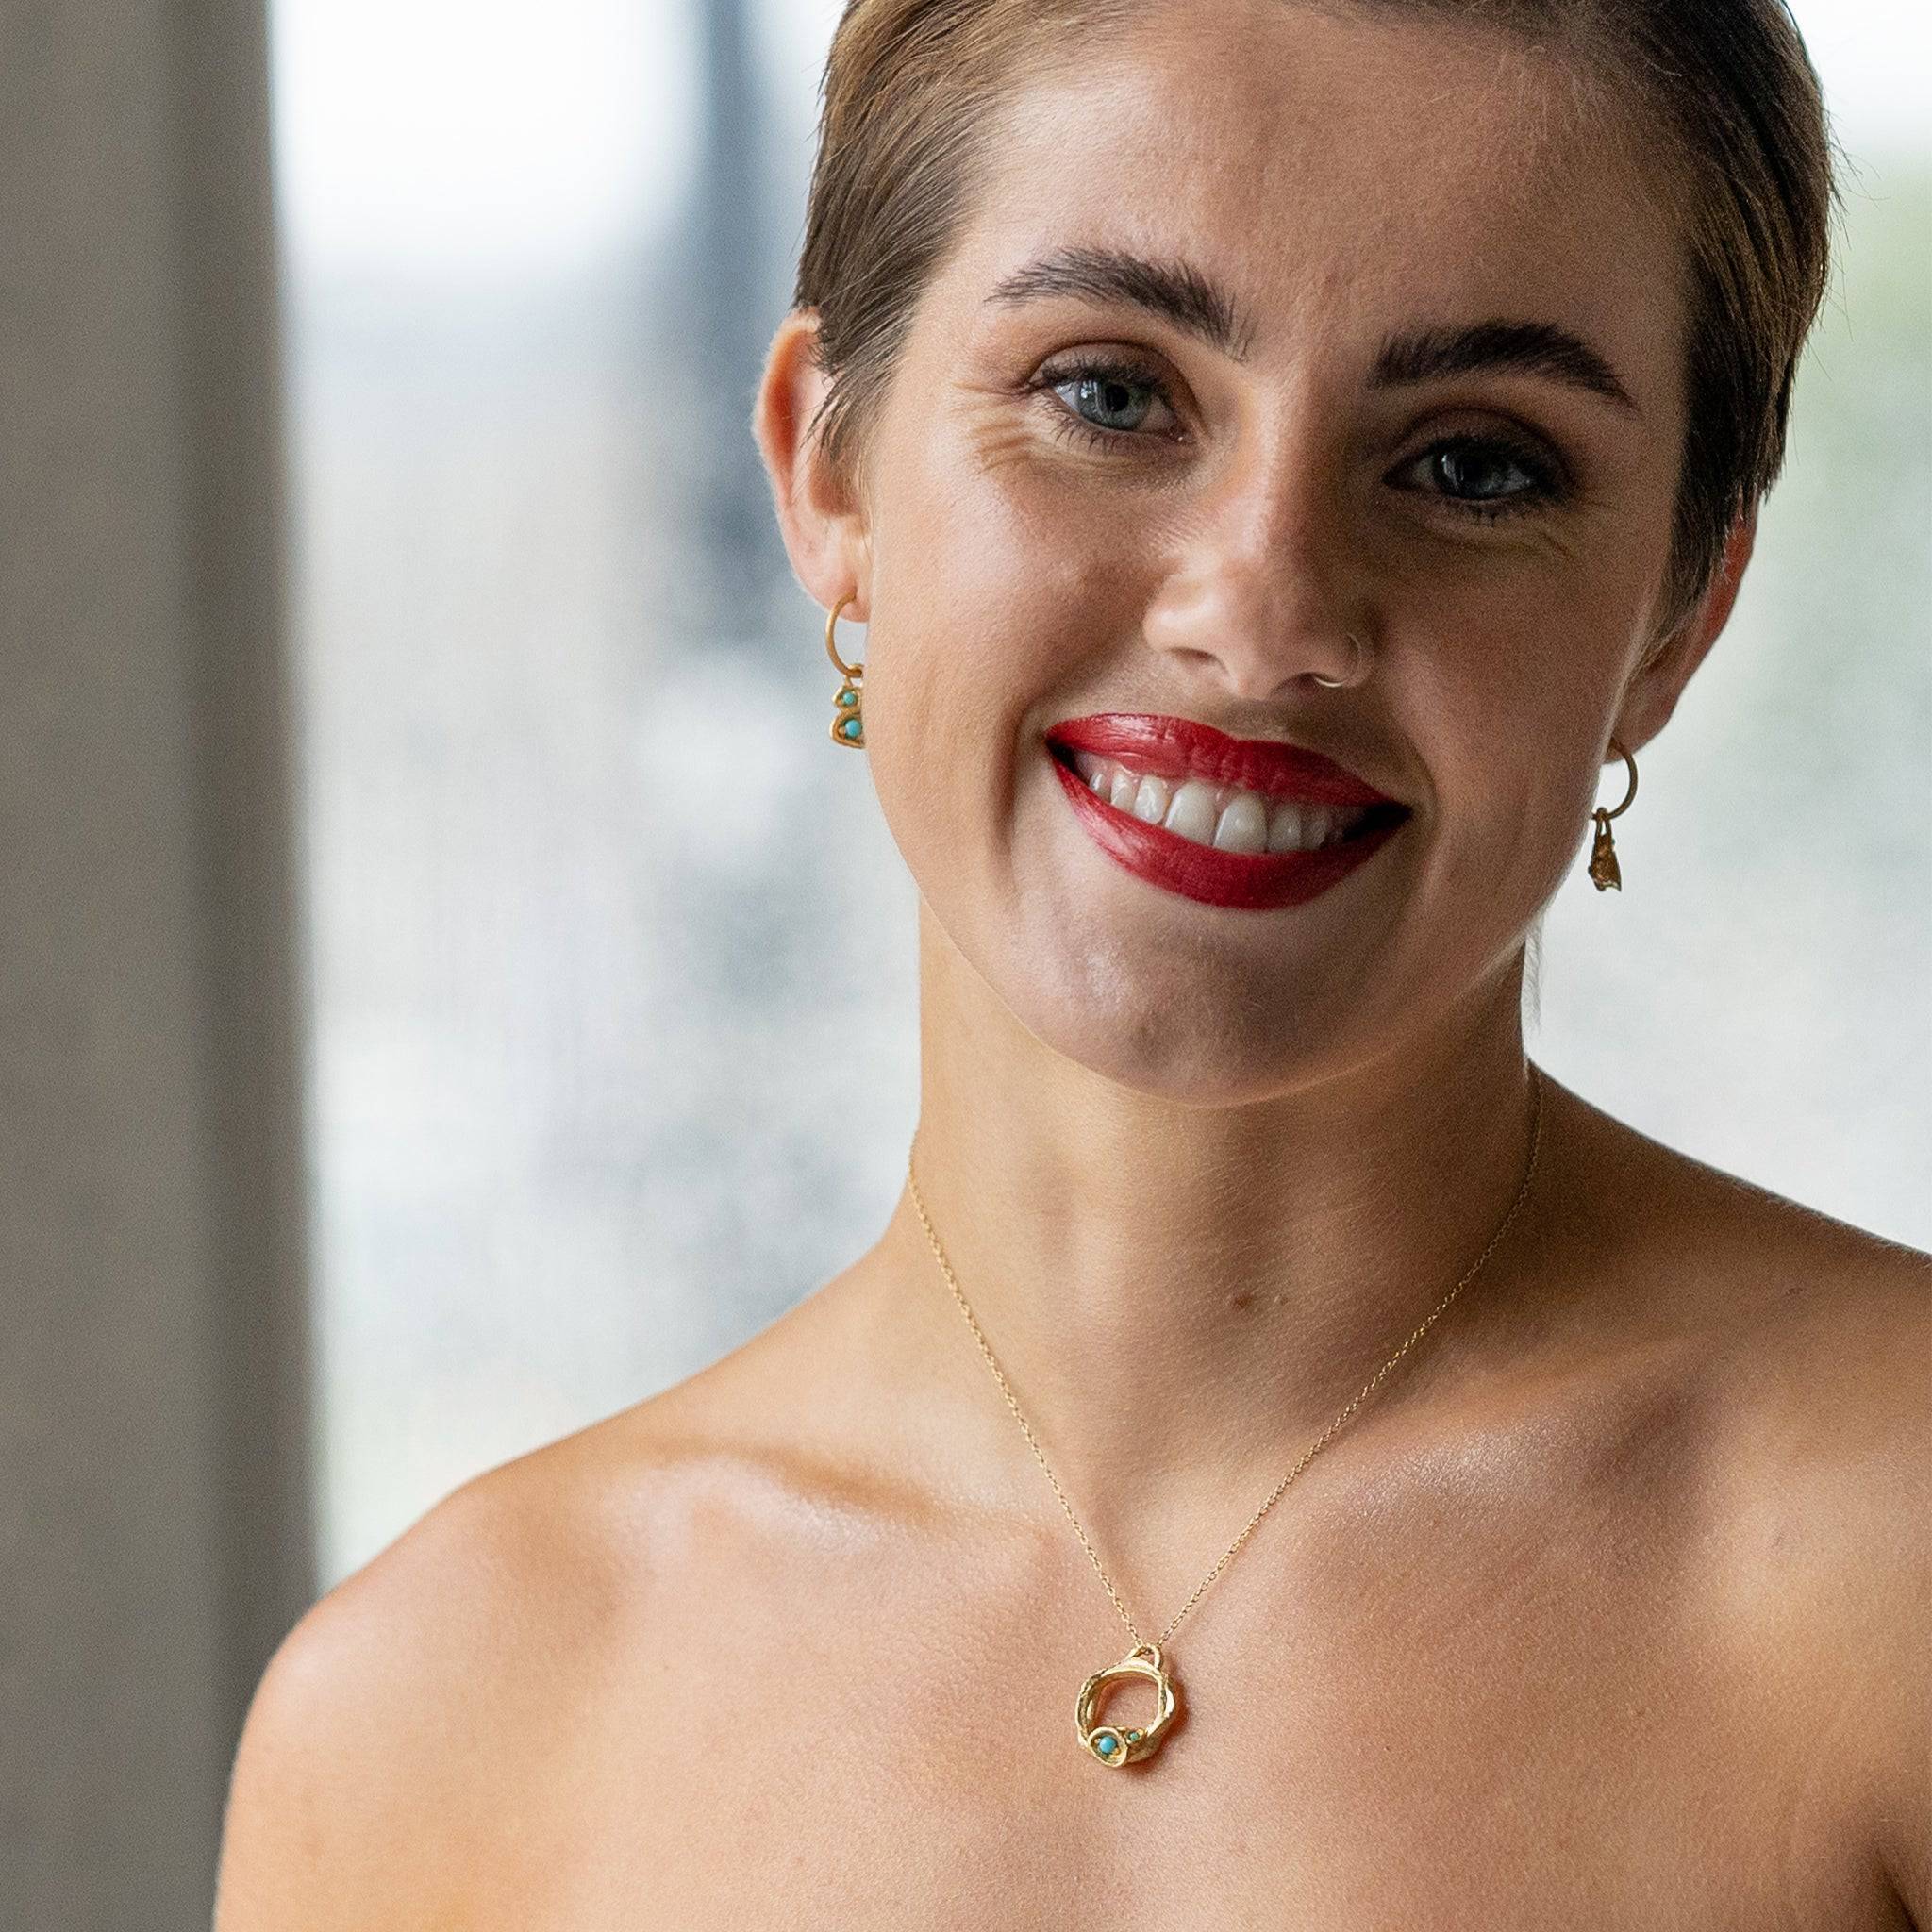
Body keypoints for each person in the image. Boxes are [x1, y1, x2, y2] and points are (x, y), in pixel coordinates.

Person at [215, 1, 1929, 1923]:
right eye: (1110, 395)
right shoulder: (440, 1716)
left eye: (1471, 465)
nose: (1262, 612)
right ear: (828, 473)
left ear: (1677, 616)